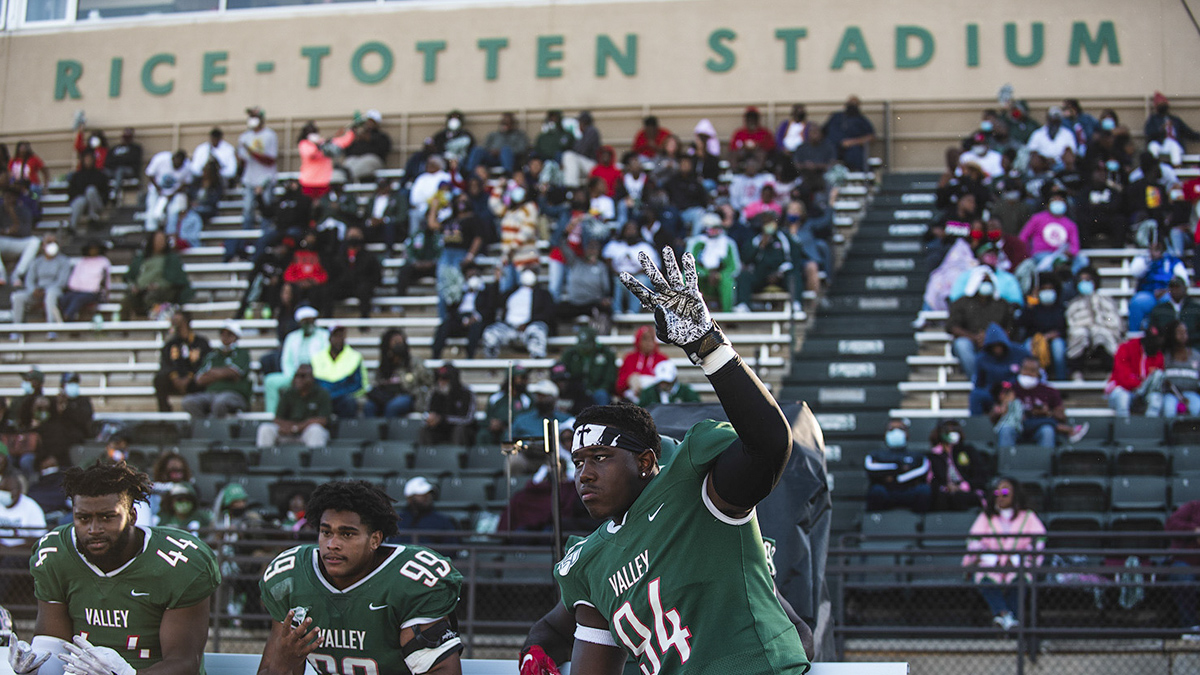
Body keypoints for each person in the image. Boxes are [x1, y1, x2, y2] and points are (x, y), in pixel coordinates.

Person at [551, 246, 809, 675]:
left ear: (647, 461)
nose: (585, 474)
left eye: (600, 456)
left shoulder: (692, 485)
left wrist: (710, 347)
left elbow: (768, 445)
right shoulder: (588, 559)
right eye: (578, 461)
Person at [18, 463, 219, 675]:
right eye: (83, 518)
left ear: (132, 516)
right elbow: (53, 645)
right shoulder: (55, 553)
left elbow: (185, 664)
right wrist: (36, 668)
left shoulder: (178, 562)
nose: (94, 529)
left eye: (107, 516)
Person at [257, 480, 463, 675]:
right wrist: (282, 665)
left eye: (347, 534)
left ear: (375, 539)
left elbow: (443, 670)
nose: (332, 544)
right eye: (326, 532)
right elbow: (268, 671)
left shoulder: (409, 579)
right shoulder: (293, 576)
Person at [962, 477, 1045, 632]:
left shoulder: (1027, 516)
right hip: (992, 564)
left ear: (1015, 494)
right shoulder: (986, 516)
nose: (1000, 496)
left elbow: (1038, 542)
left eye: (1005, 492)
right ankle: (1008, 617)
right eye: (997, 492)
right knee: (985, 578)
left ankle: (1003, 618)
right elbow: (974, 541)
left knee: (1019, 581)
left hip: (1018, 564)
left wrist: (1014, 560)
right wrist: (990, 558)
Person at [991, 357, 1088, 449]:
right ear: (1020, 369)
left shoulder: (1049, 391)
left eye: (1032, 370)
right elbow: (993, 415)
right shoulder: (1010, 389)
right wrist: (1000, 409)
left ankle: (1045, 464)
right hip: (1016, 426)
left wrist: (1047, 412)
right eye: (1025, 369)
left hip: (1039, 427)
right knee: (1006, 430)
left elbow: (1062, 416)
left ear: (1038, 373)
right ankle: (1006, 464)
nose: (1028, 373)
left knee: (1047, 431)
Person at [264, 306, 329, 414]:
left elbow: (325, 359)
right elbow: (286, 360)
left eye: (310, 321)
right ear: (300, 323)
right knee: (270, 381)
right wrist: (294, 377)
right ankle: (272, 416)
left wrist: (312, 376)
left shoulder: (324, 336)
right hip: (294, 376)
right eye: (305, 321)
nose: (308, 324)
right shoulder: (292, 337)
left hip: (317, 376)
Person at [182, 321, 251, 418]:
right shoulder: (213, 355)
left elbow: (234, 373)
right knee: (188, 401)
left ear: (236, 336)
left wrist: (212, 373)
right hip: (212, 393)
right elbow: (200, 380)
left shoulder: (242, 353)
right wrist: (223, 373)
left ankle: (217, 431)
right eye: (223, 333)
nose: (225, 337)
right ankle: (205, 428)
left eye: (229, 334)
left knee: (220, 402)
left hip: (234, 393)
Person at [482, 268, 554, 359]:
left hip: (529, 329)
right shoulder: (511, 292)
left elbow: (548, 313)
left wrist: (527, 324)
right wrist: (496, 282)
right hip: (509, 329)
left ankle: (538, 365)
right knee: (490, 332)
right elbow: (494, 303)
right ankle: (491, 365)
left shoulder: (543, 294)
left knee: (538, 330)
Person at [120, 231, 193, 321]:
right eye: (157, 240)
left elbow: (176, 280)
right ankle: (122, 330)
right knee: (126, 300)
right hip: (141, 290)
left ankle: (154, 326)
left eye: (162, 240)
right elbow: (129, 277)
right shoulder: (141, 258)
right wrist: (133, 286)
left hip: (162, 291)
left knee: (151, 298)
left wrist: (158, 285)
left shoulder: (171, 259)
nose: (160, 242)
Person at [257, 364, 332, 449]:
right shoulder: (288, 394)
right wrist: (290, 428)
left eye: (303, 376)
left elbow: (322, 420)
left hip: (307, 433)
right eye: (296, 376)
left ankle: (314, 461)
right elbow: (277, 419)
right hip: (288, 432)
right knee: (265, 429)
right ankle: (266, 459)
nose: (298, 379)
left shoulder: (322, 394)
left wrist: (298, 427)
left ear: (311, 378)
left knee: (316, 430)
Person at [864, 419, 932, 512]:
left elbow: (922, 470)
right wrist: (900, 467)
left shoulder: (917, 456)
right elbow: (871, 468)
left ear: (907, 434)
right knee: (876, 491)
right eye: (891, 429)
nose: (896, 432)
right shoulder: (876, 455)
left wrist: (895, 477)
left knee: (924, 490)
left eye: (900, 429)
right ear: (885, 434)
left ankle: (921, 521)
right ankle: (875, 521)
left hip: (909, 491)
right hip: (887, 491)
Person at [1065, 267, 1121, 375]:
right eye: (1082, 280)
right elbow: (1071, 323)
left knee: (1101, 334)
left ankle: (1110, 372)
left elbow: (1112, 318)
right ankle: (1076, 373)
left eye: (1088, 280)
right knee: (1079, 334)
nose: (1084, 283)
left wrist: (1104, 322)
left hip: (1102, 329)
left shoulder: (1105, 300)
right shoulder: (1073, 304)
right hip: (1082, 330)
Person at [9, 235, 71, 332]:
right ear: (43, 245)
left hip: (54, 290)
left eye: (55, 242)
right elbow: (29, 280)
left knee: (51, 295)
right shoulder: (36, 262)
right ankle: (17, 329)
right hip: (37, 291)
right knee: (18, 297)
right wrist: (33, 290)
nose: (52, 245)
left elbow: (62, 281)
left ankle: (51, 328)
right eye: (49, 242)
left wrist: (46, 290)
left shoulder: (63, 261)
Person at [365, 329, 430, 419]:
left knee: (393, 406)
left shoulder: (415, 363)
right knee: (369, 406)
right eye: (395, 341)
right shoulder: (383, 366)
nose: (399, 344)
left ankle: (388, 432)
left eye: (401, 341)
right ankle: (371, 432)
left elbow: (428, 384)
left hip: (408, 396)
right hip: (386, 396)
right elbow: (376, 384)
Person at [153, 311, 210, 413]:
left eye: (178, 321)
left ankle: (204, 413)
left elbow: (204, 363)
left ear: (186, 322)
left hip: (194, 380)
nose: (174, 323)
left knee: (205, 379)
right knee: (159, 378)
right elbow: (166, 363)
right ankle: (165, 413)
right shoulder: (171, 344)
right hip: (175, 380)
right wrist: (175, 377)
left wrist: (189, 377)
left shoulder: (201, 342)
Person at [927, 419, 989, 512]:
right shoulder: (934, 455)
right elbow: (933, 479)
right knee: (940, 498)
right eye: (949, 431)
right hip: (945, 491)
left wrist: (962, 486)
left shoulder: (968, 450)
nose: (953, 433)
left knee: (958, 498)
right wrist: (946, 487)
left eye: (955, 430)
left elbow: (980, 475)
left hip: (967, 490)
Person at [1129, 239, 1189, 332]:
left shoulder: (1172, 260)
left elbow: (1183, 280)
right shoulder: (1143, 259)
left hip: (1167, 293)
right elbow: (1135, 272)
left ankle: (1169, 334)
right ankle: (1135, 336)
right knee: (1137, 302)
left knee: (1169, 301)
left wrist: (1167, 290)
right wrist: (1150, 259)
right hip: (1147, 293)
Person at [311, 324, 368, 419]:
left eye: (341, 336)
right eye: (335, 336)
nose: (338, 340)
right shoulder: (317, 357)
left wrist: (337, 393)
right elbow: (314, 382)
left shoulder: (355, 356)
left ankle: (346, 432)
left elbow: (359, 384)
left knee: (349, 402)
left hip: (343, 397)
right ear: (329, 338)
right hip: (322, 396)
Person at [1107, 328, 1166, 417]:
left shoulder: (1158, 354)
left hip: (1143, 394)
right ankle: (1124, 429)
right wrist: (1140, 385)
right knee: (1123, 397)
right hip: (1124, 390)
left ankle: (1149, 430)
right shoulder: (1126, 348)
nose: (1155, 344)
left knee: (1155, 399)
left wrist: (1143, 388)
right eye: (1152, 340)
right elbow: (1123, 378)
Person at [1146, 320, 1200, 418]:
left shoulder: (1196, 356)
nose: (1183, 335)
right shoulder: (1165, 356)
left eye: (1185, 332)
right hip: (1170, 394)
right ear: (1172, 334)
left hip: (1191, 393)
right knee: (1169, 409)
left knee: (1196, 408)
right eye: (1179, 332)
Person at [1018, 277, 1068, 381]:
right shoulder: (1033, 308)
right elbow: (1022, 323)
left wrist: (1052, 335)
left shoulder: (1060, 308)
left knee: (1058, 347)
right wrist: (1030, 306)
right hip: (1035, 339)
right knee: (1028, 346)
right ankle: (1032, 379)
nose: (1047, 292)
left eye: (1050, 289)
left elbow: (1064, 328)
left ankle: (1062, 380)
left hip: (1055, 339)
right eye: (1044, 289)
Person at [688, 213, 740, 312]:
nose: (714, 231)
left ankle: (728, 315)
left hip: (719, 277)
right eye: (711, 228)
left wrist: (719, 275)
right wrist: (706, 274)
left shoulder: (728, 243)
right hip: (702, 278)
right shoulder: (696, 243)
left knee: (728, 282)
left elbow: (734, 267)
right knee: (687, 278)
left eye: (717, 228)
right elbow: (689, 266)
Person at [237, 106, 278, 230]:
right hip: (249, 178)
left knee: (265, 207)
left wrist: (252, 152)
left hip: (265, 178)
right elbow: (243, 159)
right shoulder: (244, 137)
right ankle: (246, 237)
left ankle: (265, 235)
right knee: (248, 208)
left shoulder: (270, 135)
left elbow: (270, 160)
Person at [560, 326, 617, 409]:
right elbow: (563, 374)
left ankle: (601, 420)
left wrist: (594, 390)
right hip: (577, 391)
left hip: (598, 390)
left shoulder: (607, 354)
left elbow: (610, 378)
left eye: (586, 346)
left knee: (601, 395)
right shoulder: (570, 354)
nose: (584, 349)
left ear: (594, 343)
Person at [1166, 497, 1200, 637]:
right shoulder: (1193, 507)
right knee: (1182, 576)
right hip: (1187, 561)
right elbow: (1170, 524)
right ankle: (1190, 628)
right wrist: (1194, 530)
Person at [297, 120, 355, 199]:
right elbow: (310, 153)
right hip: (308, 182)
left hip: (324, 181)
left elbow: (343, 142)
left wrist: (351, 131)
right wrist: (318, 145)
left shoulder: (324, 143)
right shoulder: (304, 144)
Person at [420, 364, 475, 446]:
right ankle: (428, 455)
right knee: (425, 430)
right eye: (439, 379)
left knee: (459, 430)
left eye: (445, 379)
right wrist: (430, 419)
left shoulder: (466, 394)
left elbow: (467, 419)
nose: (441, 382)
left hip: (459, 430)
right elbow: (427, 413)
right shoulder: (435, 394)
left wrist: (443, 419)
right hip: (440, 429)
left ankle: (457, 456)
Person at [394, 476, 459, 544]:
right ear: (410, 498)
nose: (427, 497)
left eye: (429, 494)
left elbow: (451, 547)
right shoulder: (398, 521)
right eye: (421, 494)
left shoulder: (443, 521)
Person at [477, 366, 531, 447]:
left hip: (517, 430)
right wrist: (492, 423)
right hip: (495, 431)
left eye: (526, 377)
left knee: (508, 435)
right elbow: (487, 418)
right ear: (511, 379)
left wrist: (505, 425)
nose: (526, 381)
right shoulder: (496, 398)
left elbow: (530, 419)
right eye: (522, 378)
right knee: (483, 435)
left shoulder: (527, 399)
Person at [58, 240, 111, 322]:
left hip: (94, 292)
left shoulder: (103, 262)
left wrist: (101, 291)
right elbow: (74, 278)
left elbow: (104, 280)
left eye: (95, 249)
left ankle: (68, 316)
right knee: (65, 298)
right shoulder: (81, 262)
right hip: (78, 290)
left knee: (78, 299)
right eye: (91, 249)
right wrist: (75, 287)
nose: (93, 251)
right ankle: (64, 319)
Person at [143, 149, 192, 233]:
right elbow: (150, 174)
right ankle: (150, 231)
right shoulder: (161, 158)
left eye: (180, 164)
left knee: (174, 211)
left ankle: (171, 232)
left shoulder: (187, 167)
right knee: (152, 211)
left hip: (174, 192)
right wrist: (159, 189)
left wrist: (173, 194)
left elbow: (186, 183)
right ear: (172, 159)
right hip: (157, 189)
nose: (177, 165)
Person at [615, 325, 668, 402]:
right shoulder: (629, 358)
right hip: (633, 398)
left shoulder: (662, 359)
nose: (648, 343)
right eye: (645, 339)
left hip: (655, 399)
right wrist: (630, 380)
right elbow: (619, 386)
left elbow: (668, 383)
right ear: (638, 340)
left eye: (651, 339)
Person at [823, 96, 875, 171]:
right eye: (850, 104)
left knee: (855, 154)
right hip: (832, 148)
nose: (852, 106)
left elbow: (871, 137)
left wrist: (852, 142)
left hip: (851, 150)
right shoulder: (836, 117)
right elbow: (823, 131)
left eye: (854, 104)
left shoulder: (861, 120)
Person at [342, 109, 392, 181]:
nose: (369, 124)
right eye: (367, 121)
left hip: (372, 160)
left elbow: (383, 150)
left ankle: (350, 177)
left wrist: (370, 139)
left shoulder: (382, 136)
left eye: (372, 122)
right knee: (348, 162)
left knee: (367, 162)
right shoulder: (358, 136)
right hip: (355, 159)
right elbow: (347, 151)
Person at [1148, 276, 1200, 344]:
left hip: (1192, 346)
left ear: (1185, 288)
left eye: (1177, 287)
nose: (1175, 290)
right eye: (1172, 288)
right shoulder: (1159, 309)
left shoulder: (1195, 308)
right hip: (1166, 348)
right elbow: (1153, 330)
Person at [66, 151, 109, 232]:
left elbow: (105, 192)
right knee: (80, 201)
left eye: (90, 159)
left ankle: (93, 217)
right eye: (86, 159)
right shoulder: (77, 176)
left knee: (91, 190)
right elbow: (72, 192)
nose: (88, 161)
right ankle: (72, 226)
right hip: (82, 204)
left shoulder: (100, 175)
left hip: (96, 203)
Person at [105, 128, 144, 203]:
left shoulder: (135, 148)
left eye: (128, 137)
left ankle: (115, 193)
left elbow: (132, 160)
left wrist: (119, 161)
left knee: (120, 170)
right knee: (103, 171)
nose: (125, 139)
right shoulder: (115, 148)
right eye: (124, 137)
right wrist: (121, 160)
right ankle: (104, 193)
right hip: (113, 169)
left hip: (129, 170)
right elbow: (108, 161)